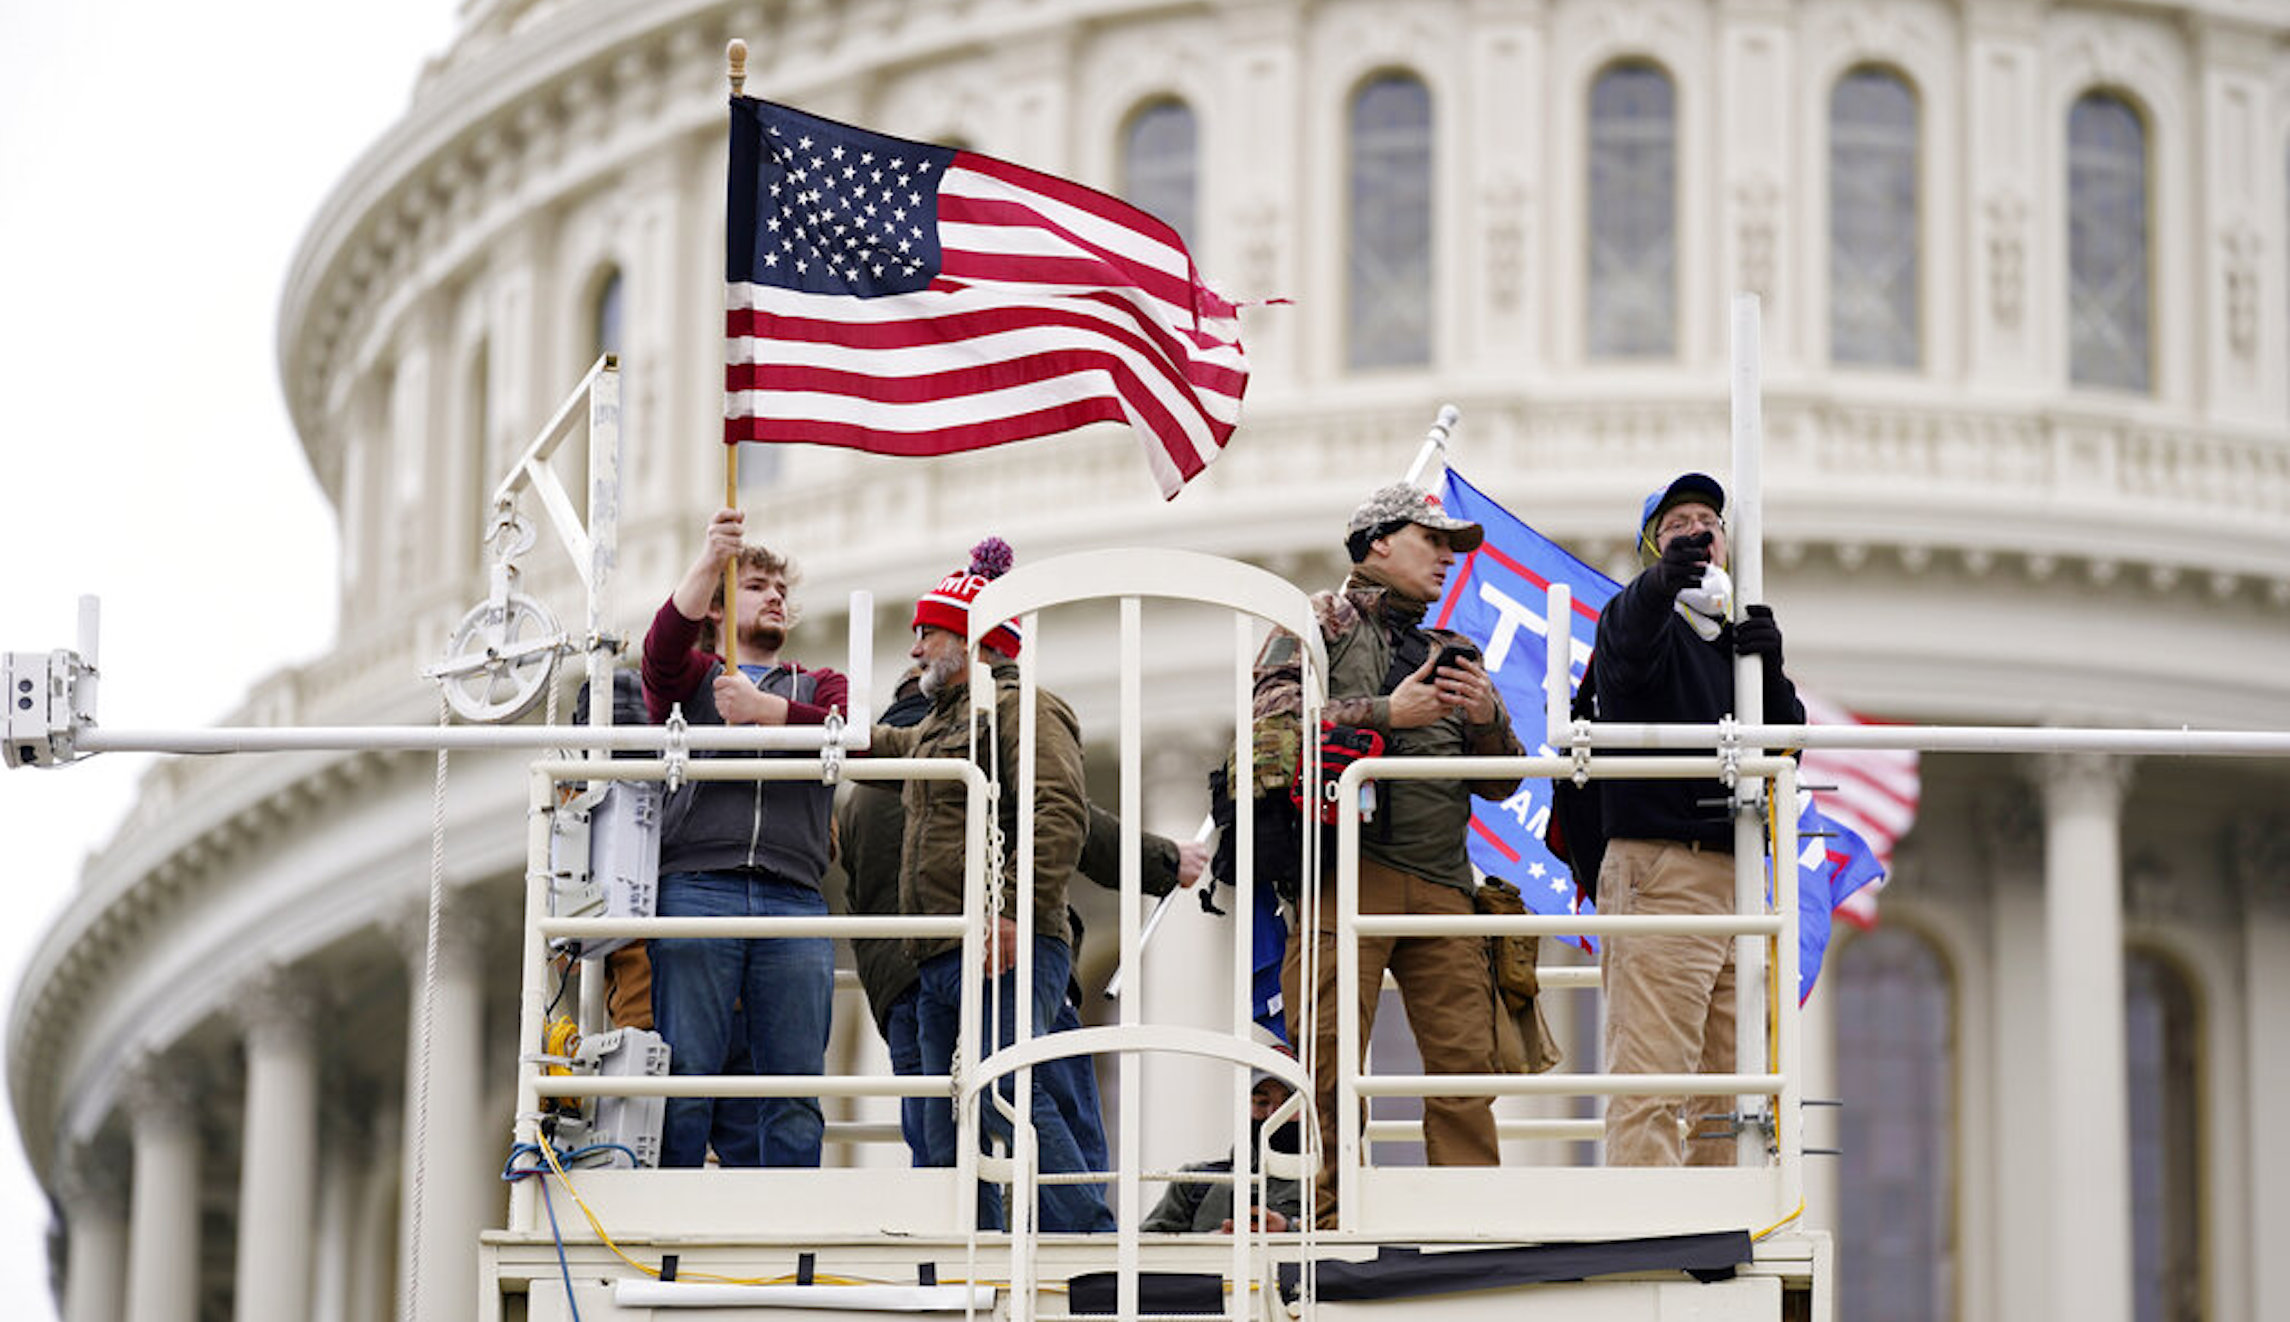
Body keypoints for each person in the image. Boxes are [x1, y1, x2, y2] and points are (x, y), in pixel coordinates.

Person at [1252, 483, 1524, 1228]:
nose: (1446, 557)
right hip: (1346, 879)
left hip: (1443, 886)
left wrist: (1487, 719)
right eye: (1431, 539)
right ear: (1377, 542)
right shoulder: (1314, 625)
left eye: (1452, 546)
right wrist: (1385, 714)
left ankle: (1468, 1221)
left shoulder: (1454, 652)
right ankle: (1335, 1218)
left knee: (1469, 1064)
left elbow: (1503, 782)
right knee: (1330, 1060)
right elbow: (1267, 743)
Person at [833, 673, 1206, 1172]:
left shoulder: (858, 801)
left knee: (938, 1135)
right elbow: (1073, 823)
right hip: (994, 957)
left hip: (902, 985)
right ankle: (1081, 1231)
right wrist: (1165, 858)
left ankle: (950, 1243)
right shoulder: (952, 760)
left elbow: (857, 896)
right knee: (1044, 1103)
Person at [870, 537, 1114, 1232]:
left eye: (929, 632)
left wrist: (1010, 912)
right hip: (943, 953)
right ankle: (969, 1238)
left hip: (1003, 942)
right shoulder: (943, 725)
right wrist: (780, 721)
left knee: (1006, 1081)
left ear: (974, 640)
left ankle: (1084, 1231)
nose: (914, 648)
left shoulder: (1025, 707)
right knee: (948, 1114)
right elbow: (882, 749)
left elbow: (1058, 811)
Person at [1589, 472, 1803, 1166]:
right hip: (1663, 868)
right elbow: (1625, 650)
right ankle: (1649, 1232)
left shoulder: (1732, 645)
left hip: (1736, 873)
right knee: (1653, 1078)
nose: (1696, 529)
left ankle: (1721, 1229)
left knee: (1732, 1088)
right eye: (1676, 522)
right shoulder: (1639, 622)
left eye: (1707, 518)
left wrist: (1768, 669)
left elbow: (1786, 743)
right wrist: (1659, 586)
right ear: (1653, 546)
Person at [638, 507, 848, 1169]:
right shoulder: (695, 681)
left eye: (781, 589)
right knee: (689, 1073)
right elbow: (661, 650)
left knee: (793, 1081)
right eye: (757, 586)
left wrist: (771, 713)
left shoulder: (817, 684)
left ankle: (790, 1223)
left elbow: (855, 733)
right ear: (720, 610)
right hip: (700, 885)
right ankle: (669, 1210)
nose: (777, 596)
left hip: (793, 893)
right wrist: (708, 559)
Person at [1140, 1072, 1304, 1234]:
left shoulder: (1324, 1189)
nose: (1273, 1114)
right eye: (1261, 1102)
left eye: (1287, 1104)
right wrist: (1213, 1245)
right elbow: (1144, 1249)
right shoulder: (1193, 1182)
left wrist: (1288, 1229)